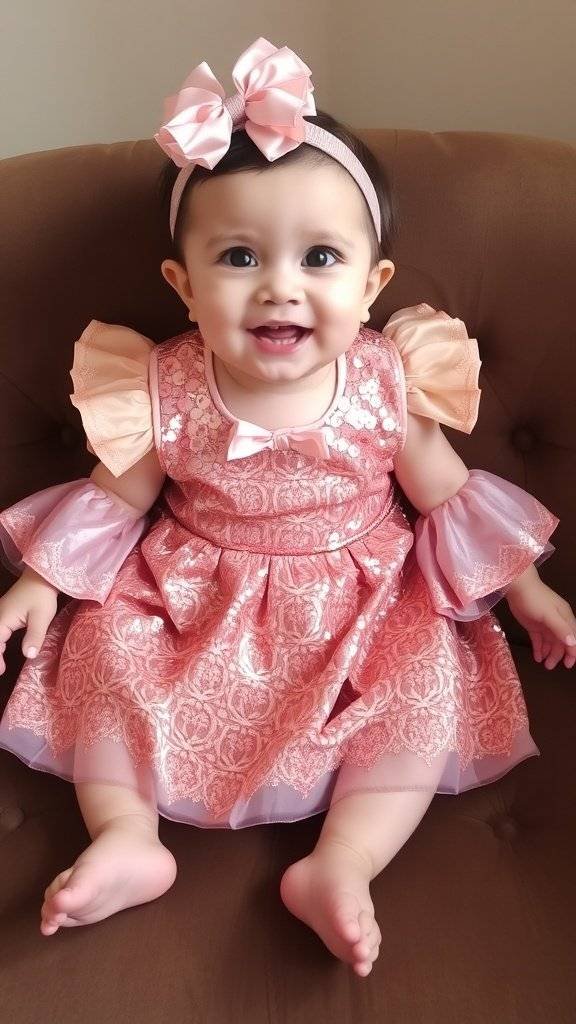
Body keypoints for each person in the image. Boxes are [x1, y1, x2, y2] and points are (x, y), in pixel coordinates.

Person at [0, 36, 574, 978]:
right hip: (189, 597)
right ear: (183, 288)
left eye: (320, 256)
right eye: (238, 256)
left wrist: (529, 591)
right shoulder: (162, 384)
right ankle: (126, 836)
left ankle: (342, 864)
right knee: (107, 653)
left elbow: (449, 495)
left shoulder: (390, 380)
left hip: (364, 602)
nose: (281, 285)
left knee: (421, 689)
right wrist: (39, 583)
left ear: (371, 285)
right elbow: (115, 497)